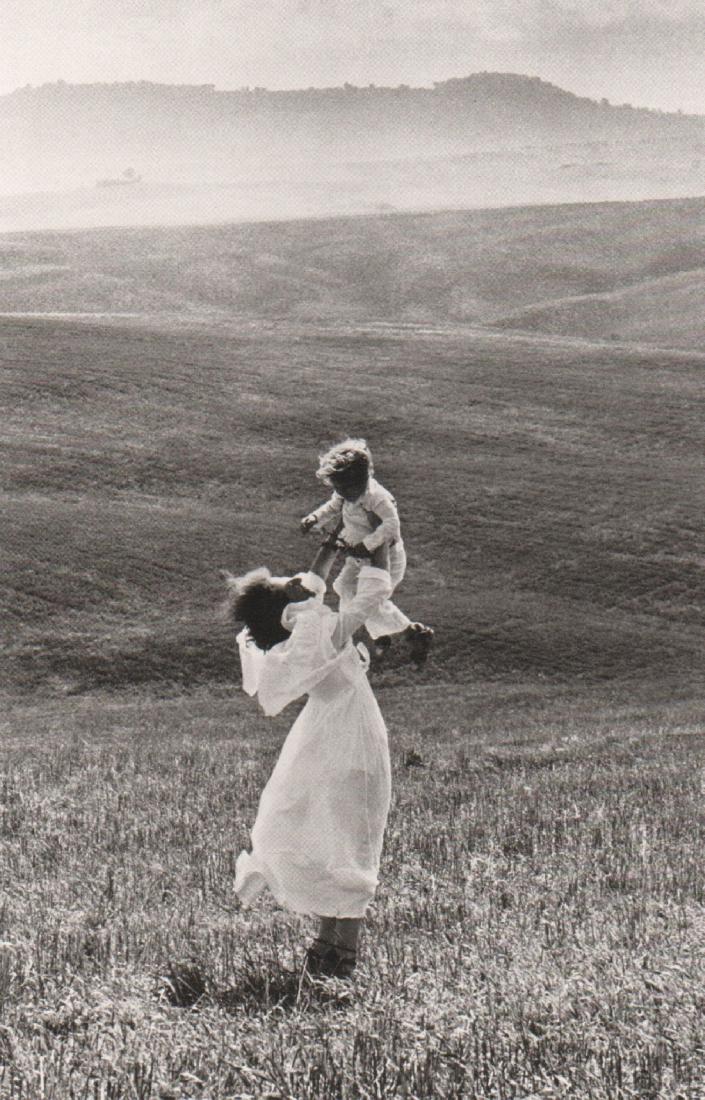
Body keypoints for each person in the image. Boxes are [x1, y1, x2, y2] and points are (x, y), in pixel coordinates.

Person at [223, 533, 393, 979]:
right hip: (353, 738)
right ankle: (343, 953)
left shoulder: (296, 638)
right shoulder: (323, 633)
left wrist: (333, 544)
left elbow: (312, 585)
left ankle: (325, 945)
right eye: (289, 584)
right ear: (289, 608)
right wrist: (381, 542)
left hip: (321, 736)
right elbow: (372, 595)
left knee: (334, 835)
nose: (299, 580)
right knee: (354, 839)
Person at [300, 438, 433, 663]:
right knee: (343, 587)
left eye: (346, 488)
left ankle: (408, 632)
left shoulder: (377, 497)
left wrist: (368, 544)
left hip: (386, 558)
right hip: (358, 556)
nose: (342, 494)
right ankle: (378, 632)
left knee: (370, 598)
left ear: (364, 477)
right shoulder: (345, 493)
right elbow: (333, 507)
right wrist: (315, 518)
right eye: (338, 488)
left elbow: (391, 525)